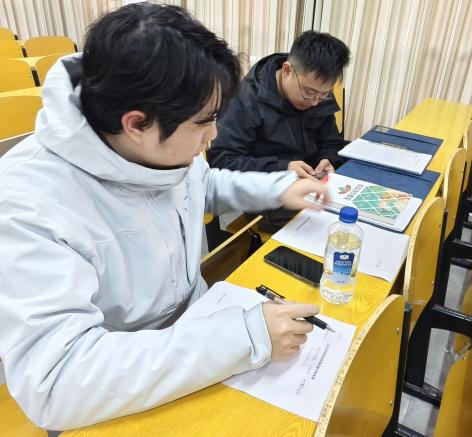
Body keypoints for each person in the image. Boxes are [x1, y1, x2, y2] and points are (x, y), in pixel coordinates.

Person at [0, 4, 329, 431]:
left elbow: (203, 186)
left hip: (198, 333)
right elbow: (57, 383)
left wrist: (278, 189)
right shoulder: (26, 203)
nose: (214, 134)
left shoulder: (158, 141)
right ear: (136, 124)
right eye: (205, 121)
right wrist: (243, 337)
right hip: (116, 388)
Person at [207, 30, 350, 231]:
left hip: (313, 186)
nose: (315, 102)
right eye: (309, 93)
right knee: (330, 232)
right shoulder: (244, 99)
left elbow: (331, 141)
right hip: (269, 196)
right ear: (287, 70)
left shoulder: (318, 94)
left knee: (351, 219)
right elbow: (223, 161)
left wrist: (329, 159)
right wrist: (284, 168)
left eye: (323, 94)